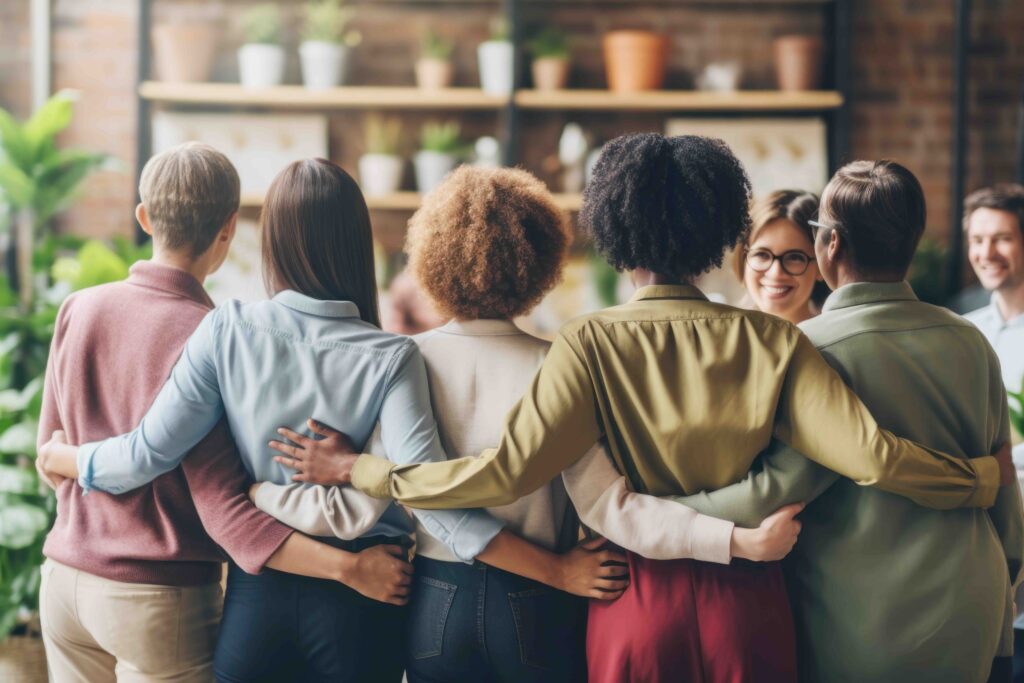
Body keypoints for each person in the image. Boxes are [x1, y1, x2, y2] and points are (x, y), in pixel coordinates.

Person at [259, 135, 1012, 683]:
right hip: (746, 602)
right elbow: (872, 456)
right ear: (722, 231)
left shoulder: (585, 342)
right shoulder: (775, 342)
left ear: (617, 233)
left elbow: (501, 472)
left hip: (631, 596)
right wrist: (975, 479)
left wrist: (366, 469)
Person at [37, 158, 638, 682]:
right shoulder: (391, 355)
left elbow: (151, 455)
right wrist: (555, 569)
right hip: (365, 604)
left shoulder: (224, 327)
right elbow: (431, 494)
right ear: (357, 241)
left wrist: (67, 459)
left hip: (256, 603)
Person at [248, 166, 803, 682]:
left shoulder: (401, 357)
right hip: (542, 597)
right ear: (539, 262)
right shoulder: (559, 362)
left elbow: (385, 494)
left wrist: (269, 491)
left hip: (435, 596)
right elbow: (599, 498)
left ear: (432, 259)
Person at [34, 143, 410, 683]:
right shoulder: (208, 334)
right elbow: (225, 512)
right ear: (229, 229)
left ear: (144, 217)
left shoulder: (80, 307)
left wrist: (71, 465)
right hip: (154, 595)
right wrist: (349, 568)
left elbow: (50, 456)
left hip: (64, 579)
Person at [672, 160, 1024, 683]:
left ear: (829, 245)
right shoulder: (969, 338)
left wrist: (658, 512)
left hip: (863, 624)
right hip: (974, 611)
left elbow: (778, 490)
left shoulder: (807, 350)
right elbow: (1004, 494)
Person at [962, 183, 1024, 680]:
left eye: (1001, 238)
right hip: (985, 536)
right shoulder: (966, 332)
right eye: (978, 239)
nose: (986, 253)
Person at [734, 190, 828, 323]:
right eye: (762, 254)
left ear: (821, 266)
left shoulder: (839, 342)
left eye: (794, 257)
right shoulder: (720, 337)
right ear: (743, 259)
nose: (776, 273)